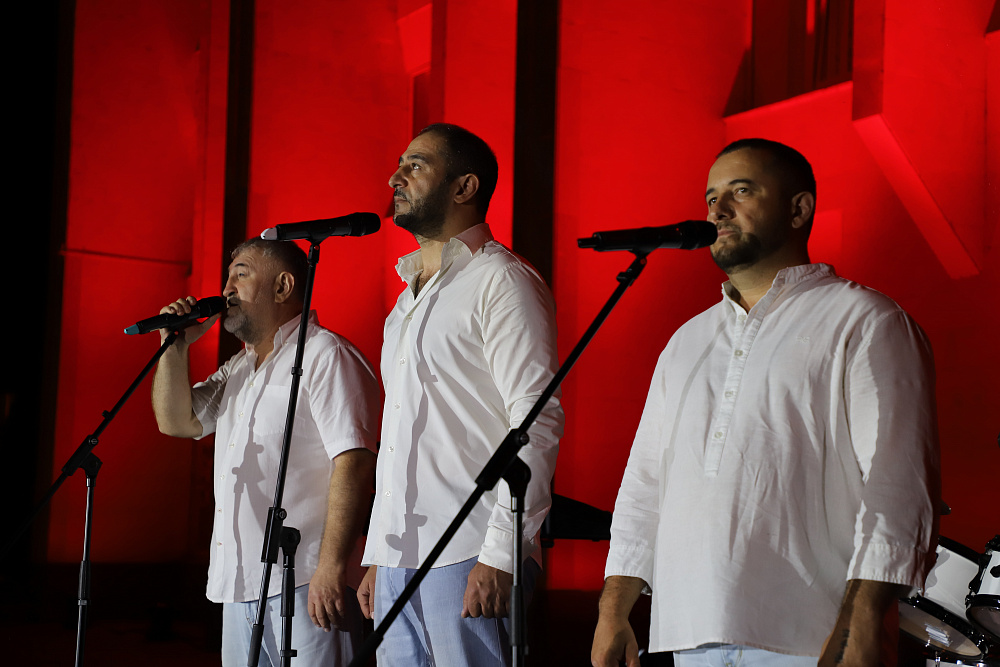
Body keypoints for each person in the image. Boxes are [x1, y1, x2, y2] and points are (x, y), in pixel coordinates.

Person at [591, 139, 940, 667]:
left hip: (809, 636)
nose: (717, 209)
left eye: (741, 191)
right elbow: (644, 484)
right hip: (688, 631)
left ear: (798, 209)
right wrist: (613, 610)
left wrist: (864, 622)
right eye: (711, 197)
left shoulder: (865, 321)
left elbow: (898, 484)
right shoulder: (687, 341)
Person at [357, 123, 564, 666]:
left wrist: (503, 552)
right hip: (399, 554)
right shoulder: (404, 303)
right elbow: (398, 435)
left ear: (464, 187)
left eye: (415, 165)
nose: (394, 177)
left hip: (470, 547)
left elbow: (535, 419)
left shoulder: (502, 279)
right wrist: (379, 551)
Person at [151, 238, 379, 667]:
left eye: (241, 274)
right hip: (239, 582)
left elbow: (354, 462)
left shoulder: (325, 355)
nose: (226, 289)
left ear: (282, 286)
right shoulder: (239, 369)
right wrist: (175, 344)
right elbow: (176, 421)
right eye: (227, 277)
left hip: (306, 581)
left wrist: (331, 568)